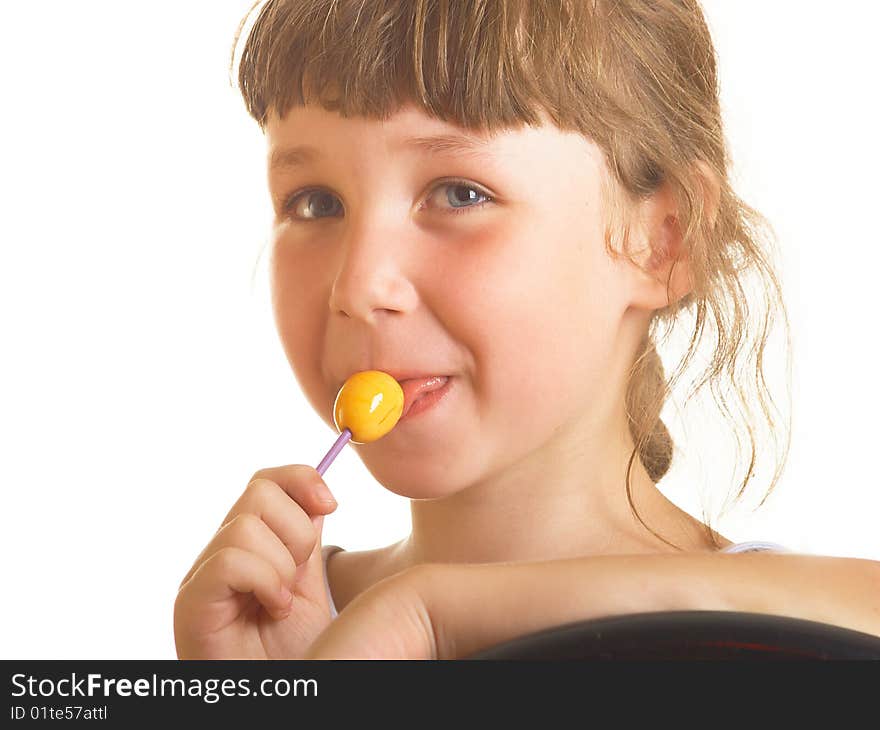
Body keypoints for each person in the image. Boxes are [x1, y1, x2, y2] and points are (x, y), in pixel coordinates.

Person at [173, 0, 880, 659]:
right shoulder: (277, 627)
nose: (358, 288)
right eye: (316, 202)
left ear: (665, 239)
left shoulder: (782, 648)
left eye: (459, 194)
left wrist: (436, 612)